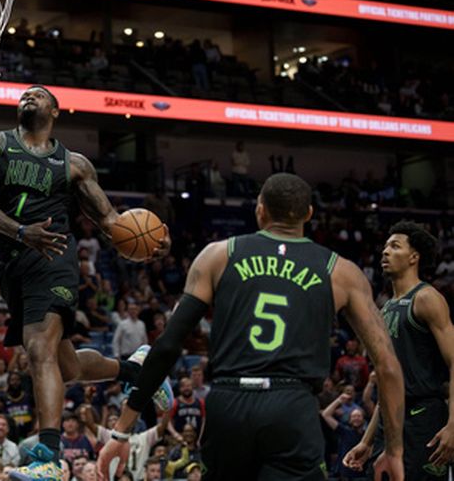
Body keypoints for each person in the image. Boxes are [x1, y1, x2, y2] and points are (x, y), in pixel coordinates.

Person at [97, 173, 405, 481]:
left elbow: (167, 346)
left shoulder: (218, 255)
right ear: (309, 214)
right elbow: (388, 366)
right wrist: (393, 450)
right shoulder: (341, 271)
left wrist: (122, 431)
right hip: (292, 407)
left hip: (229, 403)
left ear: (260, 210)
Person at [0, 86, 171, 480]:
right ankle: (135, 370)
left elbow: (110, 220)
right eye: (25, 94)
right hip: (13, 263)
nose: (30, 97)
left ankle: (49, 457)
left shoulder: (73, 164)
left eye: (39, 95)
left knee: (38, 349)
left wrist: (155, 240)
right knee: (68, 368)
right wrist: (21, 232)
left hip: (54, 257)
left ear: (56, 111)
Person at [344, 221, 454, 479]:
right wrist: (366, 441)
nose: (385, 251)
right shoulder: (385, 309)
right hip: (389, 422)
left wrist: (453, 425)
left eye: (395, 246)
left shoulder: (426, 298)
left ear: (414, 257)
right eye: (385, 246)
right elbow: (387, 384)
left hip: (423, 417)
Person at [320, 392, 367, 479]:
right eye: (353, 416)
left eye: (359, 416)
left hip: (361, 475)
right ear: (350, 420)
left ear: (363, 419)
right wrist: (339, 400)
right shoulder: (345, 431)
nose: (356, 418)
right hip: (344, 475)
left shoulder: (367, 435)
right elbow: (326, 414)